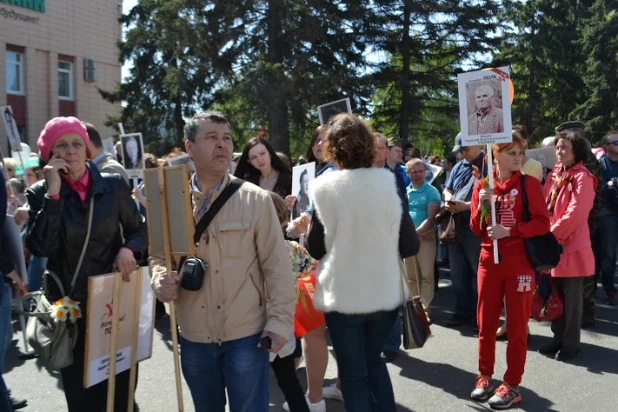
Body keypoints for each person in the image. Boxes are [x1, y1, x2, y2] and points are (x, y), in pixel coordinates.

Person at [150, 111, 295, 412]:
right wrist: (160, 280)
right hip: (193, 335)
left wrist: (280, 322)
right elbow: (159, 256)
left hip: (246, 336)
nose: (222, 145)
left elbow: (277, 266)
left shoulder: (255, 200)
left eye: (226, 138)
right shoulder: (168, 200)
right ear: (189, 147)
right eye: (212, 138)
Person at [25, 116, 148, 411]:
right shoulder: (40, 193)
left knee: (121, 394)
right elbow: (40, 247)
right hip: (71, 314)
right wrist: (53, 195)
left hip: (113, 304)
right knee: (82, 399)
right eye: (61, 145)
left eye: (76, 143)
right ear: (50, 154)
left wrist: (128, 250)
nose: (70, 151)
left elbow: (140, 230)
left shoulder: (114, 186)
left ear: (87, 149)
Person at [306, 113, 418, 412]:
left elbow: (315, 248)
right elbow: (410, 244)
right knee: (375, 364)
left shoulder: (324, 187)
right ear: (369, 145)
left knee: (354, 378)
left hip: (343, 296)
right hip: (384, 292)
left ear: (333, 149)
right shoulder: (389, 184)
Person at [469, 132, 550, 409]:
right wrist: (481, 205)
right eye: (511, 153)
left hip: (519, 263)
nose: (517, 159)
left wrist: (511, 231)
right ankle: (484, 376)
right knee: (486, 324)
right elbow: (476, 229)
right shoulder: (482, 185)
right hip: (488, 260)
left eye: (520, 153)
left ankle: (512, 384)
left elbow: (542, 224)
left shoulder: (529, 184)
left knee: (516, 326)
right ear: (496, 154)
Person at [538, 125, 597, 362]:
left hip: (570, 244)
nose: (559, 151)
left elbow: (577, 211)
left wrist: (553, 234)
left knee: (572, 299)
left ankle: (571, 343)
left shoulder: (583, 176)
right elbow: (544, 205)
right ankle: (558, 337)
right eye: (557, 147)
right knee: (555, 294)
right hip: (554, 242)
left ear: (577, 150)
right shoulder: (555, 174)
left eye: (564, 148)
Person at [268, 191, 312, 412]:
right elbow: (312, 271)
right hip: (289, 316)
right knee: (288, 378)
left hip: (258, 320)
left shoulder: (251, 251)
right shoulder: (294, 249)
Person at [444, 133, 486, 329]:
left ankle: (482, 315)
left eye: (465, 149)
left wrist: (466, 206)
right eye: (460, 150)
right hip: (457, 224)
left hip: (476, 225)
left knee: (479, 272)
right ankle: (463, 311)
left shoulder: (489, 164)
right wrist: (447, 199)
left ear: (476, 145)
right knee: (457, 273)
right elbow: (448, 188)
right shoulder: (459, 166)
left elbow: (491, 197)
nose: (462, 153)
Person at [405, 158, 441, 318]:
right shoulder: (406, 191)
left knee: (426, 275)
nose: (418, 175)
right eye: (414, 172)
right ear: (408, 173)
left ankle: (425, 308)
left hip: (425, 238)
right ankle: (414, 306)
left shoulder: (431, 191)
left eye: (421, 171)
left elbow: (431, 218)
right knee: (411, 276)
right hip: (409, 239)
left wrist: (415, 233)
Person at [597, 130, 618, 305]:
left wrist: (614, 183)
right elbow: (601, 190)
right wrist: (611, 185)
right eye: (616, 143)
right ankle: (609, 289)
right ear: (606, 147)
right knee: (609, 253)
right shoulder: (601, 165)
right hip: (608, 211)